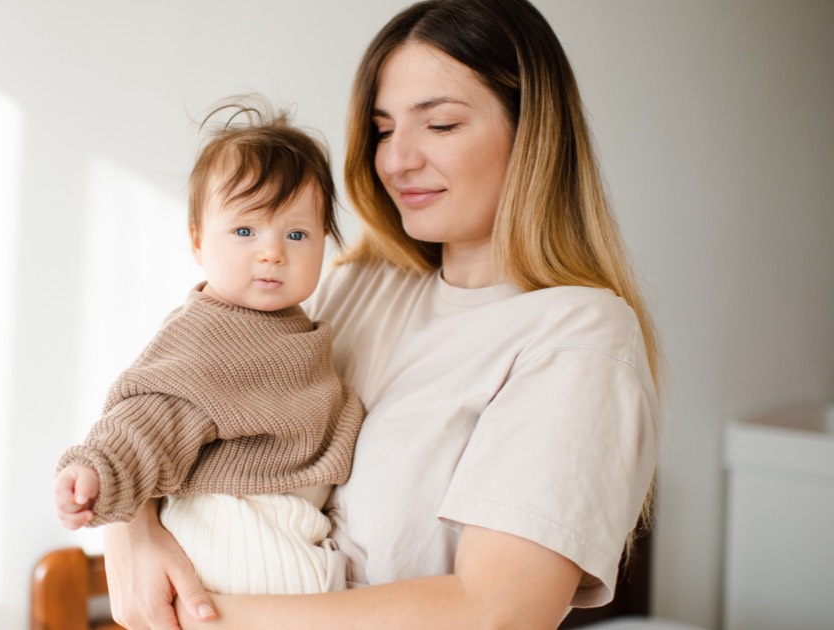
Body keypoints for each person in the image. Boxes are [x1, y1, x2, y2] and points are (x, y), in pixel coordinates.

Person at [100, 0, 663, 628]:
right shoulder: (355, 287)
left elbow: (495, 613)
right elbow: (175, 397)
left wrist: (193, 615)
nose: (396, 160)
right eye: (384, 129)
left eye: (440, 126)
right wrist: (132, 530)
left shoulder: (578, 338)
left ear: (533, 133)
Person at [53, 99, 366, 596]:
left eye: (297, 233)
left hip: (285, 523)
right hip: (231, 526)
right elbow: (153, 416)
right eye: (245, 230)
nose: (272, 252)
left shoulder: (293, 326)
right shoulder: (209, 334)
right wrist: (98, 469)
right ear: (197, 241)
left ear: (325, 242)